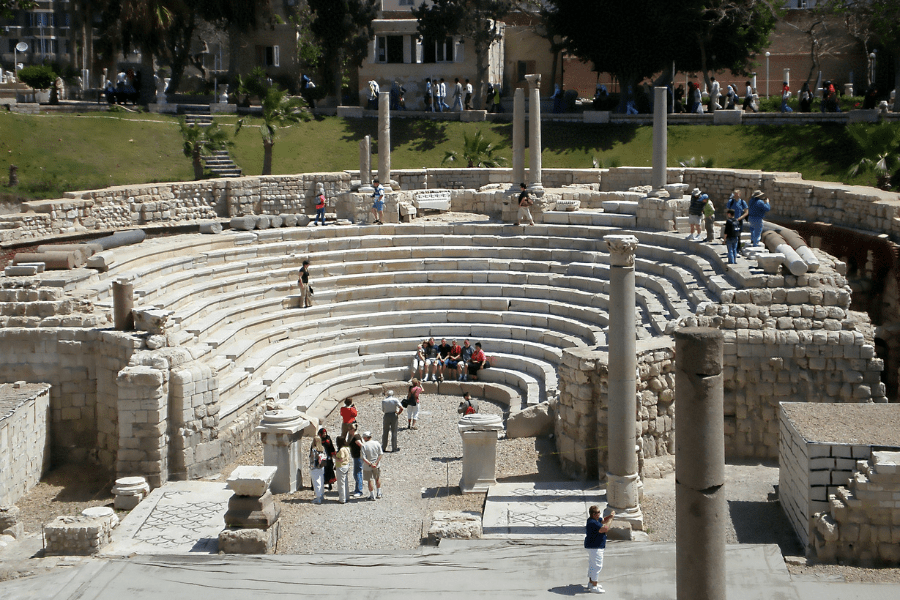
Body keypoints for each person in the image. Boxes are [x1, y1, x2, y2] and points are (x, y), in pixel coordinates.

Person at [584, 505, 615, 593]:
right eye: (597, 513)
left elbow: (604, 520)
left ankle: (591, 583)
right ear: (592, 514)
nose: (599, 514)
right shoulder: (592, 522)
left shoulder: (596, 520)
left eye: (599, 512)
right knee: (597, 566)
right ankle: (594, 586)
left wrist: (610, 516)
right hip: (595, 547)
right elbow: (605, 528)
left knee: (592, 565)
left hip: (593, 546)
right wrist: (611, 519)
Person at [360, 430, 384, 501]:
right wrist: (376, 463)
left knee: (370, 480)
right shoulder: (377, 443)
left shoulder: (364, 446)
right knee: (377, 478)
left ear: (365, 438)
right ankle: (379, 493)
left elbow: (363, 458)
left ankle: (372, 495)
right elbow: (380, 454)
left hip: (367, 466)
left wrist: (370, 464)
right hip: (376, 465)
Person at [346, 423, 365, 498]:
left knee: (357, 473)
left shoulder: (356, 437)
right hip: (356, 457)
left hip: (358, 457)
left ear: (353, 429)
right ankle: (357, 489)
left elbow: (362, 445)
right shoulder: (355, 436)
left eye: (350, 429)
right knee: (356, 473)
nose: (348, 431)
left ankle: (359, 490)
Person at [334, 437, 351, 504]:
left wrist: (334, 457)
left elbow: (340, 459)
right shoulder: (347, 448)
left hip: (341, 467)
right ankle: (347, 496)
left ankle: (342, 499)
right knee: (346, 482)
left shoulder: (341, 450)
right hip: (346, 465)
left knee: (341, 483)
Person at [309, 437, 326, 504]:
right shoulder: (322, 448)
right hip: (321, 467)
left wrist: (311, 467)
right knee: (321, 481)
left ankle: (318, 498)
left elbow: (312, 459)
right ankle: (321, 495)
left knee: (316, 482)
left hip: (315, 467)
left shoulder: (314, 450)